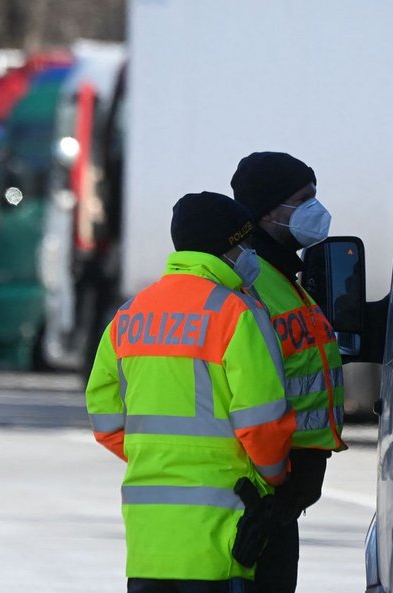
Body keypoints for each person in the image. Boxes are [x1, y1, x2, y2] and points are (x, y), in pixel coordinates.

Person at [85, 191, 297, 593]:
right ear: (228, 246)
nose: (250, 253)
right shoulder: (237, 313)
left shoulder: (130, 314)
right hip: (221, 530)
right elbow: (262, 422)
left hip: (149, 539)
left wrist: (157, 454)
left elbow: (104, 413)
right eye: (245, 244)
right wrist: (274, 480)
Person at [230, 151, 346, 593]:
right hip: (263, 489)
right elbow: (252, 392)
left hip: (286, 488)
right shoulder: (253, 282)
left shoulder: (287, 277)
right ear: (268, 211)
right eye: (303, 199)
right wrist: (274, 475)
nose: (315, 209)